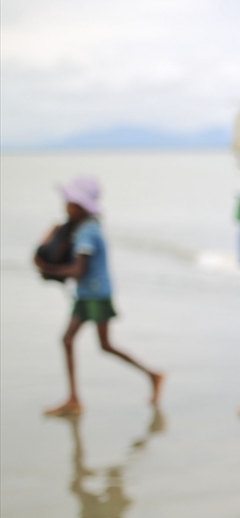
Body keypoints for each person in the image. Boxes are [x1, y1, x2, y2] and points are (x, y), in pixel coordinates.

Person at [34, 176, 164, 416]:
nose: (66, 207)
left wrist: (49, 270)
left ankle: (153, 375)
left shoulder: (87, 232)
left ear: (80, 207)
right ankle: (73, 398)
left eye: (70, 203)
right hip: (87, 293)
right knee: (69, 340)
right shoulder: (82, 228)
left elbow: (78, 270)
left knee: (104, 344)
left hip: (96, 294)